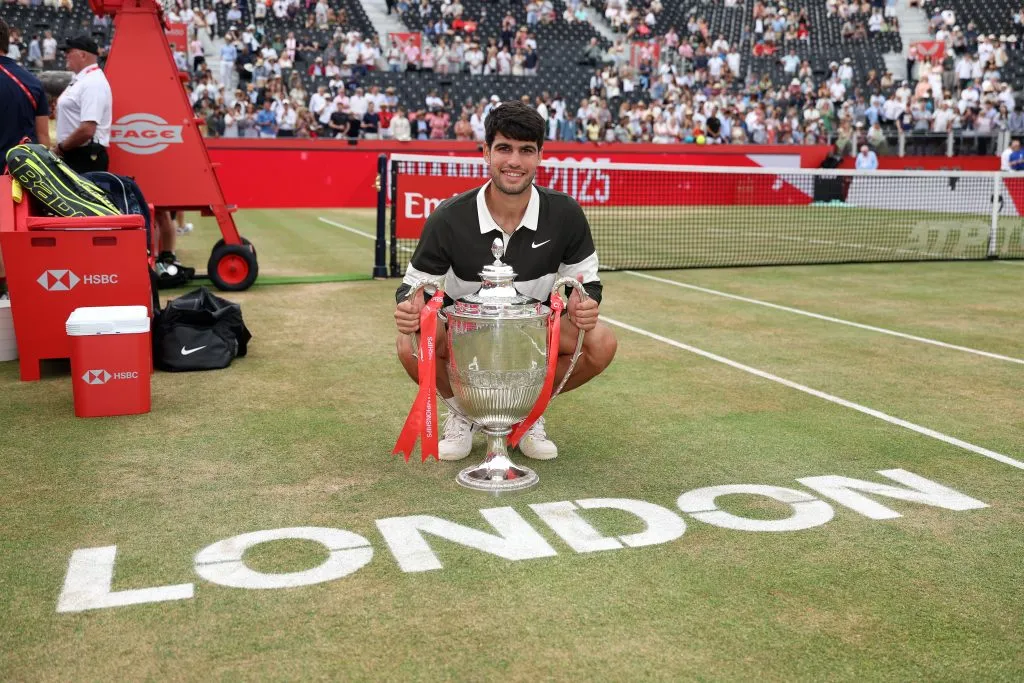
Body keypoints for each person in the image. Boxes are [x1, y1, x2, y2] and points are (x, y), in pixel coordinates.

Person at [393, 100, 617, 461]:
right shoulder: (448, 217)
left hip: (533, 336)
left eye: (526, 150)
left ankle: (527, 414)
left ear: (540, 155)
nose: (514, 161)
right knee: (411, 342)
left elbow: (587, 284)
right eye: (504, 149)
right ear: (486, 152)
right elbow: (413, 287)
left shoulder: (565, 214)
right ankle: (464, 414)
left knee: (601, 341)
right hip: (465, 338)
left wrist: (584, 304)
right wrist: (409, 306)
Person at [0, 18, 51, 299]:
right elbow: (44, 139)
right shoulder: (30, 81)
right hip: (20, 178)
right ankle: (17, 292)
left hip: (8, 177)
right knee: (17, 240)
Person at [53, 35, 112, 174]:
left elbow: (87, 129)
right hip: (73, 153)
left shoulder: (93, 82)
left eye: (69, 52)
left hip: (84, 156)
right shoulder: (82, 78)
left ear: (83, 55)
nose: (65, 56)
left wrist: (60, 149)